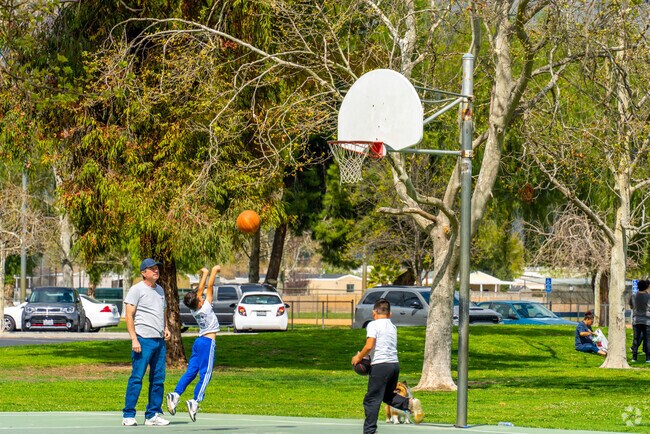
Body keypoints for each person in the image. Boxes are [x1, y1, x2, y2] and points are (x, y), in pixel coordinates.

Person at [351, 298, 424, 434]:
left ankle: (369, 431)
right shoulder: (392, 326)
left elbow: (370, 345)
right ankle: (410, 404)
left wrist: (359, 357)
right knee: (387, 396)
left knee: (371, 400)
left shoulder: (373, 325)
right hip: (394, 365)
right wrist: (368, 356)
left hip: (381, 366)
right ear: (390, 314)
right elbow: (381, 346)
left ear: (374, 313)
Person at [166, 265, 221, 422]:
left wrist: (204, 273)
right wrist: (213, 271)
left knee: (191, 372)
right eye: (200, 297)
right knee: (206, 374)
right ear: (199, 300)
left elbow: (201, 290)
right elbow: (208, 287)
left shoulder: (194, 309)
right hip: (207, 343)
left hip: (199, 342)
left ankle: (175, 394)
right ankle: (195, 401)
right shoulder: (206, 308)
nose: (202, 296)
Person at [122, 258, 171, 427]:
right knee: (137, 378)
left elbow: (162, 311)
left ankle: (153, 415)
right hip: (143, 340)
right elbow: (129, 315)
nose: (156, 271)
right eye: (152, 269)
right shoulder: (136, 290)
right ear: (144, 272)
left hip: (159, 341)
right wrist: (134, 338)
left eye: (157, 268)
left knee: (158, 379)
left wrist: (166, 327)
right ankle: (128, 415)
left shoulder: (160, 291)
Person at [629, 279, 650, 362]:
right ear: (646, 287)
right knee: (647, 339)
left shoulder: (633, 296)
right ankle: (648, 358)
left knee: (636, 338)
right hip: (647, 320)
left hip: (636, 320)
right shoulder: (648, 296)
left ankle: (634, 357)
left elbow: (631, 306)